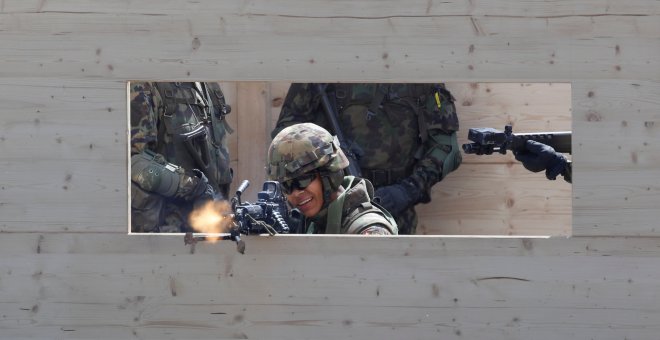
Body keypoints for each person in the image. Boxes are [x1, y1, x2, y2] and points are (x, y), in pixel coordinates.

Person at [271, 83, 461, 234]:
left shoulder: (419, 74)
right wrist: (328, 171)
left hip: (396, 205)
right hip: (329, 204)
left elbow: (447, 148)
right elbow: (287, 139)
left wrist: (408, 190)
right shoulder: (326, 66)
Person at [130, 82, 233, 232]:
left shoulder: (209, 86)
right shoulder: (144, 85)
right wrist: (190, 186)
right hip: (167, 230)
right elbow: (133, 162)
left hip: (211, 226)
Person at [267, 123, 398, 235]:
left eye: (303, 180)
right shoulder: (312, 224)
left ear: (329, 174)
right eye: (286, 185)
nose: (295, 192)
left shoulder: (367, 230)